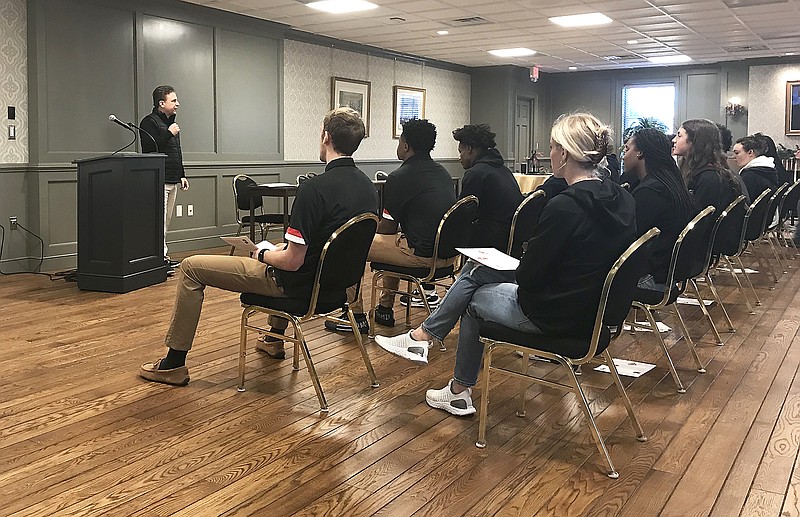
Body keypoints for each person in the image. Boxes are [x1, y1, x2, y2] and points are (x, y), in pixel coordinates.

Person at [375, 113, 637, 416]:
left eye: (552, 147)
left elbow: (529, 278)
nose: (549, 154)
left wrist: (509, 265)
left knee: (472, 295)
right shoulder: (621, 199)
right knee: (478, 272)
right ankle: (427, 344)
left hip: (556, 315)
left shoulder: (565, 206)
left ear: (564, 153)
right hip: (595, 313)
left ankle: (453, 380)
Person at [139, 107, 379, 386]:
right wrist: (278, 250)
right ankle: (273, 340)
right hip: (335, 290)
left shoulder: (315, 189)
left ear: (326, 136)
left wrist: (261, 253)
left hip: (297, 286)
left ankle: (173, 364)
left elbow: (292, 263)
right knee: (283, 248)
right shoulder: (367, 187)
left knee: (192, 268)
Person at [324, 118, 456, 333]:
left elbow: (387, 228)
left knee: (352, 244)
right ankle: (384, 308)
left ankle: (353, 315)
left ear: (405, 146)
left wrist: (364, 230)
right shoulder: (443, 173)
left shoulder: (400, 177)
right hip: (447, 257)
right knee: (394, 243)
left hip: (421, 256)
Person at [623, 128, 698, 291]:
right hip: (666, 274)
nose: (623, 155)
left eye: (627, 149)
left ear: (640, 153)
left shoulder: (651, 192)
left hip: (650, 279)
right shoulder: (671, 183)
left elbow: (628, 239)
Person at [673, 119, 747, 257]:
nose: (674, 140)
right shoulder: (701, 172)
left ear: (694, 141)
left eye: (679, 135)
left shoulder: (709, 178)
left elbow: (697, 222)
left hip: (698, 250)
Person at [139, 85, 190, 274]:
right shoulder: (148, 122)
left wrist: (182, 174)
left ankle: (163, 257)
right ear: (162, 103)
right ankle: (158, 259)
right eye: (173, 100)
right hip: (158, 179)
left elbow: (177, 152)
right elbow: (150, 148)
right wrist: (169, 133)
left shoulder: (172, 124)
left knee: (166, 221)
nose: (178, 104)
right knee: (158, 222)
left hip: (173, 178)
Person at [454, 124, 524, 251]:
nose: (460, 157)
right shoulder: (503, 169)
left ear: (469, 149)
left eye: (460, 151)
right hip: (512, 239)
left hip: (491, 242)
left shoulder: (476, 173)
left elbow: (463, 215)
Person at [733, 134, 779, 199]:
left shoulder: (748, 177)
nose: (733, 157)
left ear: (750, 152)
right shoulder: (768, 169)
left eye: (737, 153)